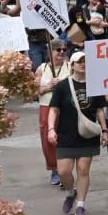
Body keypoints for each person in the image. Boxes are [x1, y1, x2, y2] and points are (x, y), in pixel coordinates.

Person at [47, 50, 107, 215]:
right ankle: (70, 192)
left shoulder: (95, 85)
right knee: (64, 171)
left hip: (87, 135)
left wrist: (104, 130)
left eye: (86, 61)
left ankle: (80, 205)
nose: (83, 64)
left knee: (83, 170)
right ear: (72, 65)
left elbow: (100, 110)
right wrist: (51, 129)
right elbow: (54, 109)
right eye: (79, 61)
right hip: (66, 134)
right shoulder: (62, 86)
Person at [35, 41, 71, 187]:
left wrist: (62, 85)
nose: (61, 52)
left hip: (66, 106)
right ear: (50, 51)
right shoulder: (42, 69)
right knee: (48, 137)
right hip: (47, 105)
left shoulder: (70, 67)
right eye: (58, 50)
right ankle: (54, 169)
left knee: (66, 136)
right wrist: (49, 87)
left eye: (64, 49)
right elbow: (33, 90)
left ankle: (65, 169)